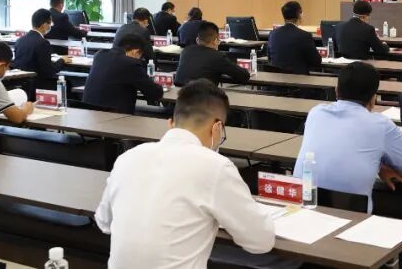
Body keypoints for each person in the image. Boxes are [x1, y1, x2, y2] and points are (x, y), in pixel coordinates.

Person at [95, 80, 275, 268]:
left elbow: (104, 223)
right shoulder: (216, 166)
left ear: (171, 124)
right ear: (217, 128)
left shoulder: (127, 157)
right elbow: (261, 242)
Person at [293, 62, 402, 208]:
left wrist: (378, 166)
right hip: (352, 214)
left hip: (303, 207)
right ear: (373, 98)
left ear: (336, 91)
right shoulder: (380, 125)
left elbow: (338, 148)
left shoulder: (316, 113)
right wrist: (379, 166)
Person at [83, 34, 164, 114]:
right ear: (135, 51)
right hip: (113, 114)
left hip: (88, 111)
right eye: (140, 56)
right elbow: (155, 93)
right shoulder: (131, 63)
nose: (139, 59)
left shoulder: (99, 54)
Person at [175, 21, 251, 86]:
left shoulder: (186, 51)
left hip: (180, 95)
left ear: (197, 40)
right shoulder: (217, 56)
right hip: (203, 96)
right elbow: (244, 76)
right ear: (215, 41)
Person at [12, 9, 70, 89]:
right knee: (68, 84)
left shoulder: (20, 40)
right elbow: (49, 71)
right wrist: (62, 60)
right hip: (38, 85)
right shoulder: (43, 43)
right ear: (44, 25)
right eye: (50, 23)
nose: (51, 26)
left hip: (22, 83)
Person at [267, 1, 321, 75]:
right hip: (299, 80)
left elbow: (270, 58)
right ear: (299, 14)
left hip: (276, 80)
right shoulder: (305, 36)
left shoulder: (273, 34)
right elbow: (316, 62)